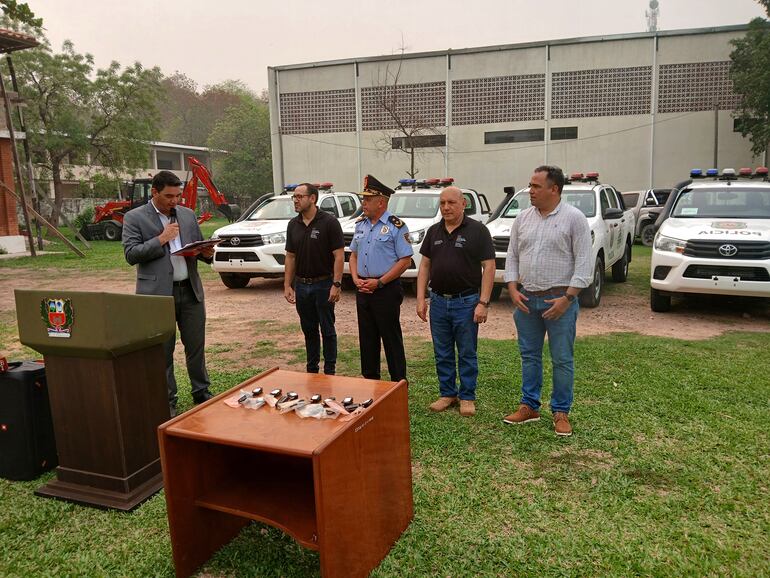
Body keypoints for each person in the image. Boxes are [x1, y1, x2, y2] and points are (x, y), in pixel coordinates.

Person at [502, 165, 592, 436]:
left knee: (562, 359)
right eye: (530, 185)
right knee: (529, 356)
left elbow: (584, 264)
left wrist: (567, 299)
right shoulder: (523, 218)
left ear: (554, 189)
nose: (530, 191)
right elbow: (513, 256)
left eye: (536, 186)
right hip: (527, 300)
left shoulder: (574, 219)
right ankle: (529, 406)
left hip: (560, 301)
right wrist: (512, 288)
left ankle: (561, 411)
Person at [122, 170, 215, 417]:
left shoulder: (187, 215)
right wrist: (161, 239)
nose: (175, 201)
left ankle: (201, 391)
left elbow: (196, 246)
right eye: (169, 196)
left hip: (190, 291)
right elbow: (131, 254)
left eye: (178, 196)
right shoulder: (134, 218)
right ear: (154, 192)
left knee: (196, 345)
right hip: (157, 296)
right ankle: (167, 400)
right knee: (162, 351)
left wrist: (207, 254)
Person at [416, 186, 495, 417]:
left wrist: (483, 302)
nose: (446, 207)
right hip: (439, 302)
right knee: (442, 352)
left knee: (467, 352)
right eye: (442, 203)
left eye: (451, 203)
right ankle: (447, 393)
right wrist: (421, 298)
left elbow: (489, 266)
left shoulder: (478, 231)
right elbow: (425, 266)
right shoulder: (434, 232)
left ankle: (467, 396)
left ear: (463, 204)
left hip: (467, 302)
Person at [349, 174, 413, 382]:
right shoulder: (360, 224)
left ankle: (398, 383)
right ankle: (370, 382)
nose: (363, 203)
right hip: (364, 289)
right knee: (367, 339)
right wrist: (356, 278)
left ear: (381, 202)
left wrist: (381, 282)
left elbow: (405, 261)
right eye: (363, 199)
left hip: (385, 289)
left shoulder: (396, 226)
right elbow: (354, 255)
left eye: (367, 199)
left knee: (391, 338)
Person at [283, 183, 344, 375]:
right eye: (294, 197)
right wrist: (287, 284)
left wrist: (336, 284)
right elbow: (290, 256)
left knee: (327, 329)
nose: (296, 200)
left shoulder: (329, 222)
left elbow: (339, 255)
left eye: (300, 196)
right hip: (302, 285)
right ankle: (312, 370)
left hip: (324, 284)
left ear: (313, 198)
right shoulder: (293, 224)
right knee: (308, 330)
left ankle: (330, 371)